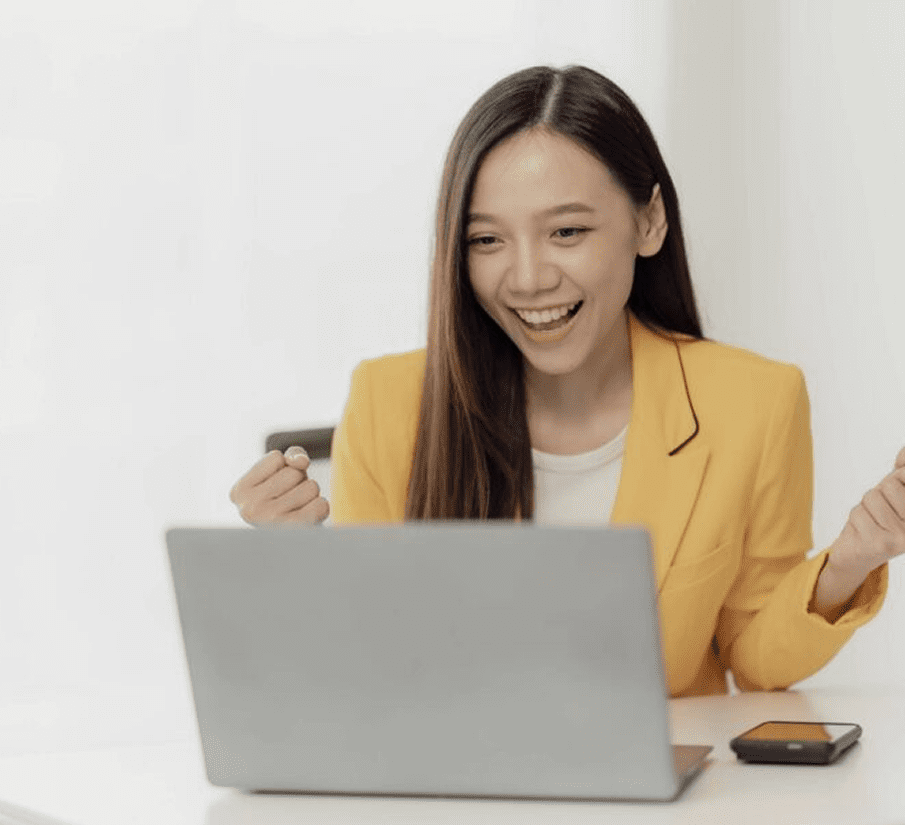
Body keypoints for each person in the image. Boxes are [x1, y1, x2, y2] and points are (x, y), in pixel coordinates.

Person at [229, 65, 904, 696]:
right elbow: (376, 667)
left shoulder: (754, 402)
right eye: (485, 240)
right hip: (454, 811)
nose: (526, 278)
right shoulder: (388, 401)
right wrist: (296, 562)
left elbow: (754, 657)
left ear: (648, 222)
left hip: (666, 812)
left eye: (566, 231)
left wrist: (850, 559)